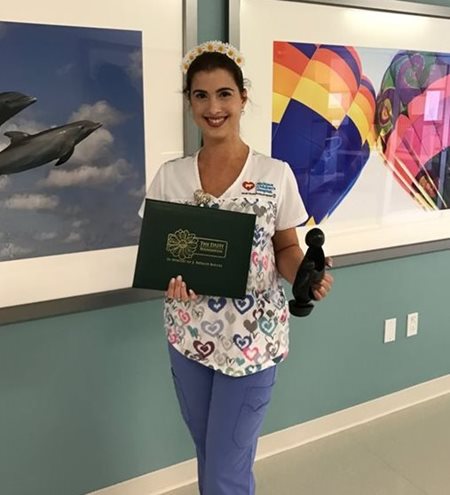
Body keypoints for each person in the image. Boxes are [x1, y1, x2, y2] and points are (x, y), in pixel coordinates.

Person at [143, 40, 334, 495]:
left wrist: (303, 272)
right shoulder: (171, 177)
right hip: (187, 338)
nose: (213, 107)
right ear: (189, 102)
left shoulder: (275, 175)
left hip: (253, 343)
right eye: (201, 95)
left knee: (227, 465)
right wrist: (167, 282)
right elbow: (157, 255)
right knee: (212, 454)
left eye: (224, 94)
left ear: (243, 98)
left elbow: (287, 247)